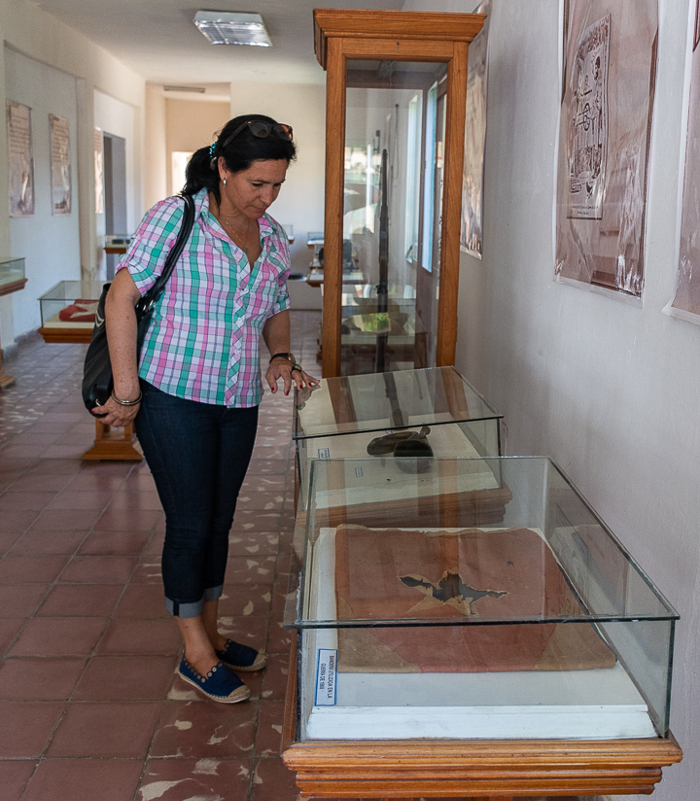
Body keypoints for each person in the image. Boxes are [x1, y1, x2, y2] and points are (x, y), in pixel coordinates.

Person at [92, 113, 318, 703]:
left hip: (236, 398)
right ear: (222, 168)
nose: (266, 198)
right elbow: (122, 298)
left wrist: (280, 356)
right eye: (255, 185)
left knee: (220, 521)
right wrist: (127, 391)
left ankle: (211, 637)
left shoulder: (272, 236)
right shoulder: (178, 216)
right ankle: (194, 652)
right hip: (171, 395)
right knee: (190, 522)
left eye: (276, 186)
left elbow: (274, 306)